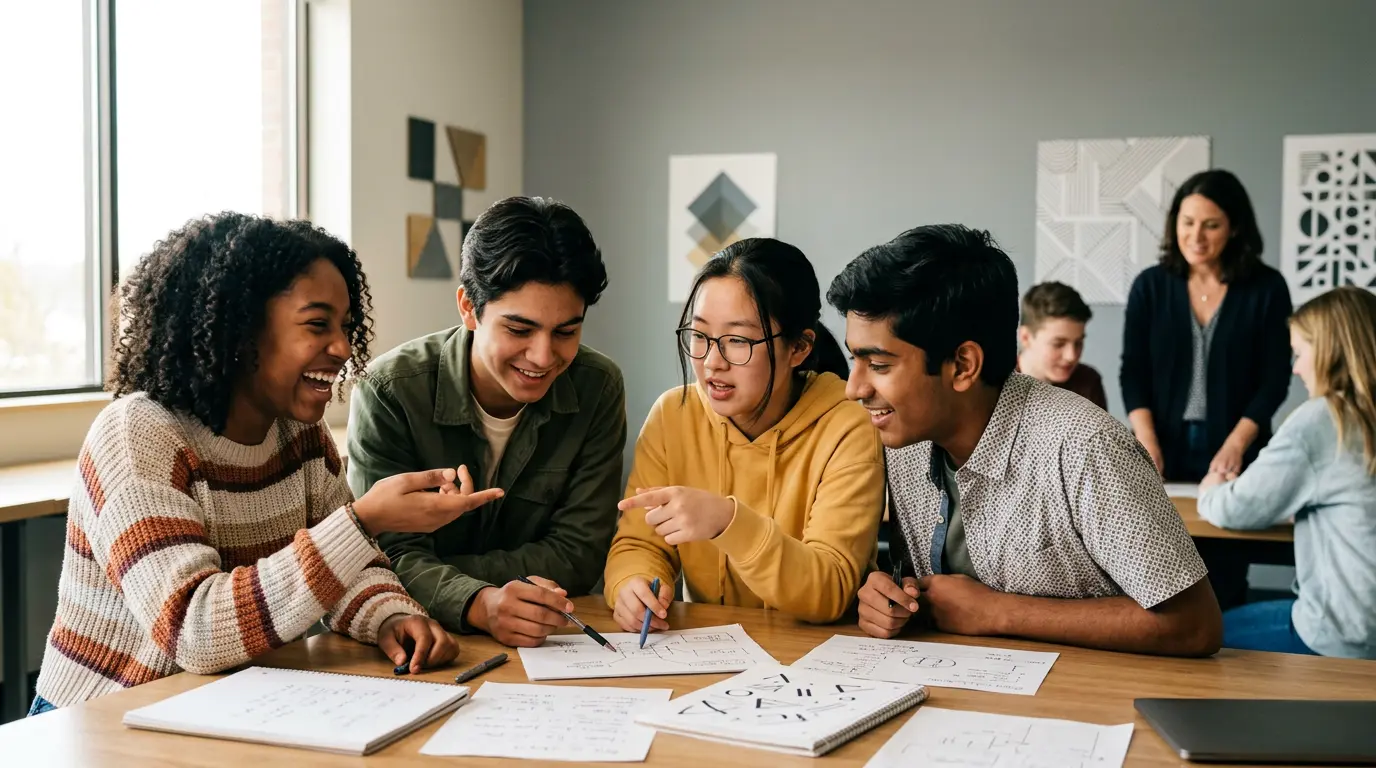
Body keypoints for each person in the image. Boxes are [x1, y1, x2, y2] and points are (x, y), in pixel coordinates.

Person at [31, 213, 490, 716]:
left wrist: (389, 616)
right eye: (317, 325)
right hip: (100, 722)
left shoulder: (300, 436)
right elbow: (195, 631)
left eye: (345, 327)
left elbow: (345, 574)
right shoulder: (138, 434)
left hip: (225, 709)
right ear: (239, 328)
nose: (342, 348)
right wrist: (363, 521)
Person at [829, 224, 1222, 657]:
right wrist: (890, 600)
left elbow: (1194, 625)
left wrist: (998, 612)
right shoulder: (904, 441)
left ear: (962, 366)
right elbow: (935, 600)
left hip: (1086, 707)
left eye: (879, 365)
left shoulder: (1085, 446)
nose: (854, 388)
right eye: (855, 359)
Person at [348, 196, 627, 648]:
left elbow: (580, 554)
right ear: (468, 307)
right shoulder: (390, 389)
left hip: (552, 635)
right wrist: (479, 602)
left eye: (566, 332)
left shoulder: (598, 386)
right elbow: (384, 555)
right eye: (519, 330)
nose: (542, 356)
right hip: (425, 638)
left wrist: (450, 573)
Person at [603, 238, 884, 633]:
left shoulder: (847, 425)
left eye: (738, 341)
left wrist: (726, 521)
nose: (712, 363)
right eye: (699, 336)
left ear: (799, 348)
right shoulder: (673, 415)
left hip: (816, 658)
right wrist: (632, 585)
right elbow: (640, 544)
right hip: (708, 656)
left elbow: (830, 588)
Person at [1198, 287, 1376, 659]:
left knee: (1198, 633)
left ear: (1330, 350)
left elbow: (1235, 509)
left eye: (1300, 353)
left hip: (1342, 636)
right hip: (1366, 627)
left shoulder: (1324, 419)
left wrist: (1212, 486)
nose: (1295, 369)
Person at [1121, 169, 1292, 482]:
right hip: (1159, 443)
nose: (1196, 237)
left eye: (1211, 226)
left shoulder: (1268, 288)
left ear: (1235, 227)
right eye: (1187, 222)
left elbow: (1275, 379)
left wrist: (1236, 444)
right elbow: (1133, 371)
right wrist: (1146, 439)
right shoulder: (1150, 286)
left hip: (1240, 446)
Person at [1016, 282, 1107, 410]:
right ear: (1026, 338)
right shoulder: (995, 385)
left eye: (1078, 343)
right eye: (1058, 344)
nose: (1071, 356)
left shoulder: (1088, 382)